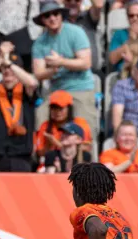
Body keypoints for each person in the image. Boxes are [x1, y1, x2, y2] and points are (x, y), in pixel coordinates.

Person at [32, 1, 97, 137]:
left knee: (86, 129)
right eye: (47, 15)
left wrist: (61, 61)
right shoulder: (39, 43)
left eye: (55, 13)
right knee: (40, 118)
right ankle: (43, 155)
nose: (52, 18)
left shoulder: (76, 32)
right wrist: (52, 71)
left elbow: (86, 63)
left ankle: (87, 157)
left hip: (80, 87)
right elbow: (38, 73)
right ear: (43, 20)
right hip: (56, 90)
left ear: (61, 15)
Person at [0, 42, 39, 172]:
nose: (8, 71)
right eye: (4, 69)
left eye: (12, 68)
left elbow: (33, 82)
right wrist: (0, 58)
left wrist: (10, 63)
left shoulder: (25, 92)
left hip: (21, 154)